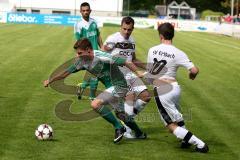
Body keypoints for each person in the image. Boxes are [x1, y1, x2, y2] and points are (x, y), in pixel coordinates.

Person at [44, 38, 146, 143]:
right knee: (122, 115)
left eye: (80, 53)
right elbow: (65, 73)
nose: (78, 56)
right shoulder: (82, 62)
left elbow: (126, 61)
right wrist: (50, 80)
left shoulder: (101, 56)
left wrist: (138, 72)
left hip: (120, 85)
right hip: (111, 88)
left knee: (95, 104)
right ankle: (139, 133)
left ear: (88, 50)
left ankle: (119, 127)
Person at [146, 23, 209, 153]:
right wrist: (192, 75)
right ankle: (185, 141)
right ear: (172, 35)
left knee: (170, 125)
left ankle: (200, 144)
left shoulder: (152, 50)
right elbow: (195, 70)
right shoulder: (178, 53)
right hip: (175, 88)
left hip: (162, 89)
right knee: (177, 117)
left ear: (161, 36)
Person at [102, 16, 151, 138]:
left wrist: (149, 68)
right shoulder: (113, 38)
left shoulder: (132, 41)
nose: (126, 32)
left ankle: (127, 118)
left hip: (130, 72)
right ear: (121, 27)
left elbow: (133, 60)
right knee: (130, 96)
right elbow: (102, 53)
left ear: (133, 28)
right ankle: (128, 130)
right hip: (117, 73)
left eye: (129, 29)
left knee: (146, 96)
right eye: (124, 29)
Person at [74, 2, 103, 100]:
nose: (85, 12)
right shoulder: (78, 24)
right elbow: (78, 41)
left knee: (93, 74)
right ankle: (91, 97)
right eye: (83, 11)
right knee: (95, 74)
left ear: (90, 11)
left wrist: (102, 47)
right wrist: (78, 54)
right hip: (86, 54)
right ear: (80, 12)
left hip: (96, 52)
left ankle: (82, 86)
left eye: (87, 10)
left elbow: (98, 35)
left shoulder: (94, 22)